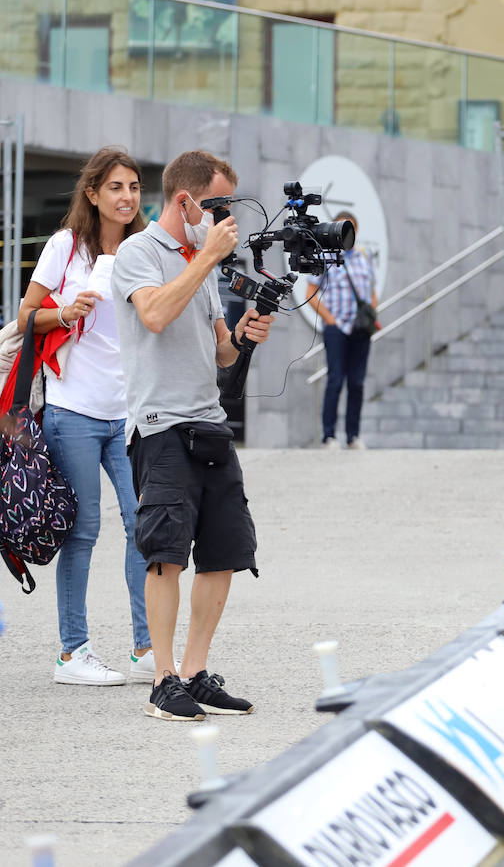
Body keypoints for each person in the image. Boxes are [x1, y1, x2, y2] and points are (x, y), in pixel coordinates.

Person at [112, 149, 274, 721]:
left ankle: (194, 672)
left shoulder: (198, 260)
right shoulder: (137, 253)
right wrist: (204, 259)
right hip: (159, 427)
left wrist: (248, 336)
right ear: (186, 201)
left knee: (226, 551)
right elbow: (153, 314)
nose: (226, 216)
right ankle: (162, 681)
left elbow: (220, 349)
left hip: (209, 424)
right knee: (165, 555)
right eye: (219, 204)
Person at [17, 147, 151, 687]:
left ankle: (146, 646)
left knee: (145, 524)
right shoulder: (64, 247)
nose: (127, 197)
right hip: (73, 410)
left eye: (135, 187)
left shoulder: (146, 251)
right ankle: (73, 653)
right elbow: (27, 314)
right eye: (116, 187)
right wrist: (64, 312)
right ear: (92, 193)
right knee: (84, 530)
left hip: (130, 413)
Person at [304, 212, 378, 449]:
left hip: (360, 329)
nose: (349, 234)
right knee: (335, 380)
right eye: (345, 229)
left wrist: (371, 314)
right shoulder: (326, 257)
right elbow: (310, 294)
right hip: (337, 328)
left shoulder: (364, 258)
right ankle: (329, 436)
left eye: (352, 229)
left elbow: (371, 292)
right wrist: (331, 320)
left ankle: (353, 436)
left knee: (357, 382)